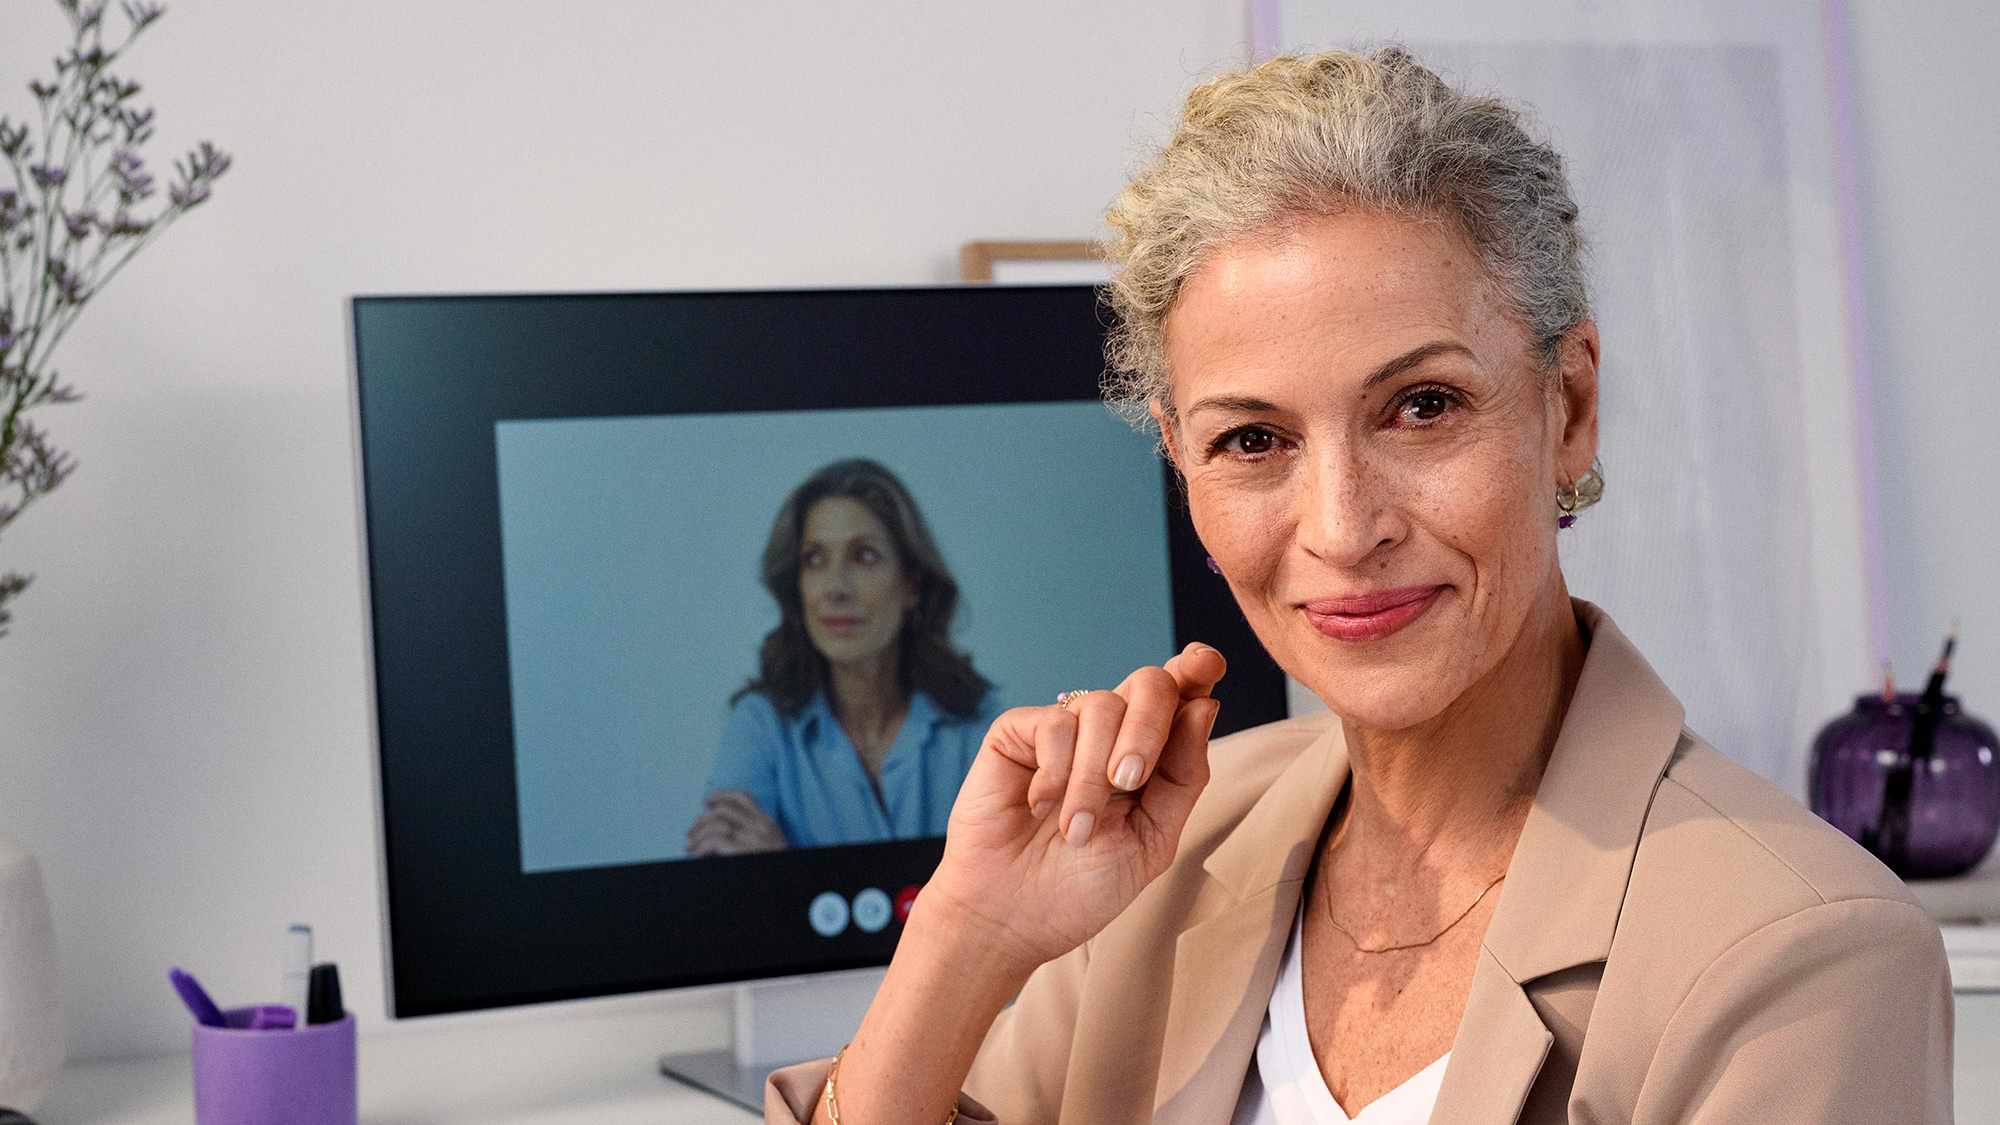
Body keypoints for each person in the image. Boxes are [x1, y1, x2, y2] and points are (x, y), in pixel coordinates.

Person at [764, 47, 1954, 1124]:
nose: (1341, 530)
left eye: (1421, 407)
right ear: (1179, 459)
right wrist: (968, 937)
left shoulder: (1801, 955)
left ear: (1568, 407)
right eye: (1251, 441)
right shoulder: (1150, 857)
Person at [689, 458, 1005, 855]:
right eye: (815, 559)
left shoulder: (977, 722)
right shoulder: (761, 724)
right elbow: (723, 867)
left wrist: (783, 868)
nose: (835, 588)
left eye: (864, 556)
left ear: (912, 584)